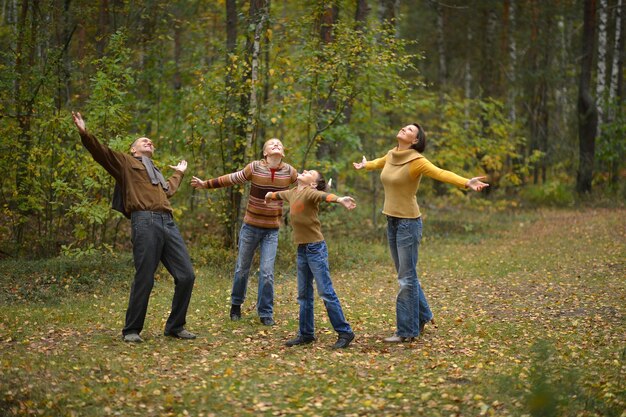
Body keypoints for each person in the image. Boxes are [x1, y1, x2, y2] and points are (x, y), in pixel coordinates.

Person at [353, 123, 488, 343]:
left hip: (408, 224)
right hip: (392, 221)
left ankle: (407, 331)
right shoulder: (391, 154)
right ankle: (423, 315)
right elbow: (381, 162)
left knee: (406, 278)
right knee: (406, 275)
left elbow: (440, 173)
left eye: (408, 130)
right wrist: (366, 165)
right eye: (404, 128)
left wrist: (466, 182)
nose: (403, 130)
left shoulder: (417, 161)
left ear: (415, 141)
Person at [72, 111, 196, 343]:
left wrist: (178, 172)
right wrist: (85, 133)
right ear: (133, 149)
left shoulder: (155, 171)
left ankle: (175, 327)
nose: (149, 142)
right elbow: (102, 153)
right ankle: (131, 330)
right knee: (145, 277)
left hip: (167, 223)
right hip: (145, 222)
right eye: (143, 141)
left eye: (151, 141)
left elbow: (168, 190)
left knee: (187, 275)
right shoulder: (125, 163)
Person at [190, 139, 297, 326]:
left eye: (279, 144)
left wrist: (324, 189)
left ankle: (265, 312)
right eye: (272, 144)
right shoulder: (254, 168)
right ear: (265, 152)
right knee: (242, 269)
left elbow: (307, 186)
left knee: (267, 272)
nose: (276, 145)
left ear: (283, 152)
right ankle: (236, 305)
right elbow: (231, 178)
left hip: (271, 230)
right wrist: (205, 184)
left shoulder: (289, 172)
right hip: (251, 227)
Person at [265, 170, 356, 349]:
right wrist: (269, 195)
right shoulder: (292, 193)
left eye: (310, 172)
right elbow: (278, 194)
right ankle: (306, 334)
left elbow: (324, 196)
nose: (304, 170)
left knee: (326, 292)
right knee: (303, 294)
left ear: (313, 183)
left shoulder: (310, 193)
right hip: (302, 249)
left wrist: (339, 199)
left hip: (316, 248)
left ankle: (345, 332)